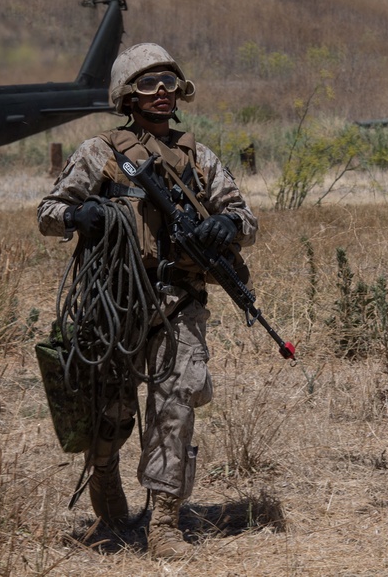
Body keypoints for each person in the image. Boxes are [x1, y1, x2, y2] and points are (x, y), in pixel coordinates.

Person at [37, 43, 259, 560]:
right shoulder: (99, 153)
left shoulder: (198, 156)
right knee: (111, 411)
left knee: (175, 407)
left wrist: (228, 224)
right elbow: (48, 212)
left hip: (179, 300)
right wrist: (79, 218)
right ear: (126, 95)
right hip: (113, 303)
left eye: (168, 82)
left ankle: (164, 522)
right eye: (147, 83)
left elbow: (246, 219)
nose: (160, 92)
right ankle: (105, 476)